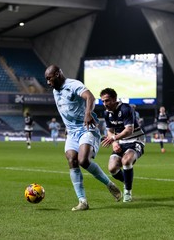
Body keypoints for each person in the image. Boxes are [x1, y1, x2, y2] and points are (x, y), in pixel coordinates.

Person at [45, 64, 122, 211]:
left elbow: (90, 97)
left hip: (87, 128)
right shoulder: (56, 90)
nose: (48, 83)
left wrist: (88, 114)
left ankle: (109, 184)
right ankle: (82, 201)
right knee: (72, 160)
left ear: (57, 75)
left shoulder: (73, 85)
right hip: (72, 132)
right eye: (46, 80)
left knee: (83, 160)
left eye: (49, 79)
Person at [100, 88, 146, 203]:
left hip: (135, 139)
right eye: (103, 101)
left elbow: (129, 130)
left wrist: (114, 138)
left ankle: (128, 192)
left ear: (115, 99)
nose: (105, 104)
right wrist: (114, 143)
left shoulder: (126, 109)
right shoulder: (106, 113)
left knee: (126, 161)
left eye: (107, 101)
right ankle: (127, 182)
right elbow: (110, 131)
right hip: (121, 141)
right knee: (112, 168)